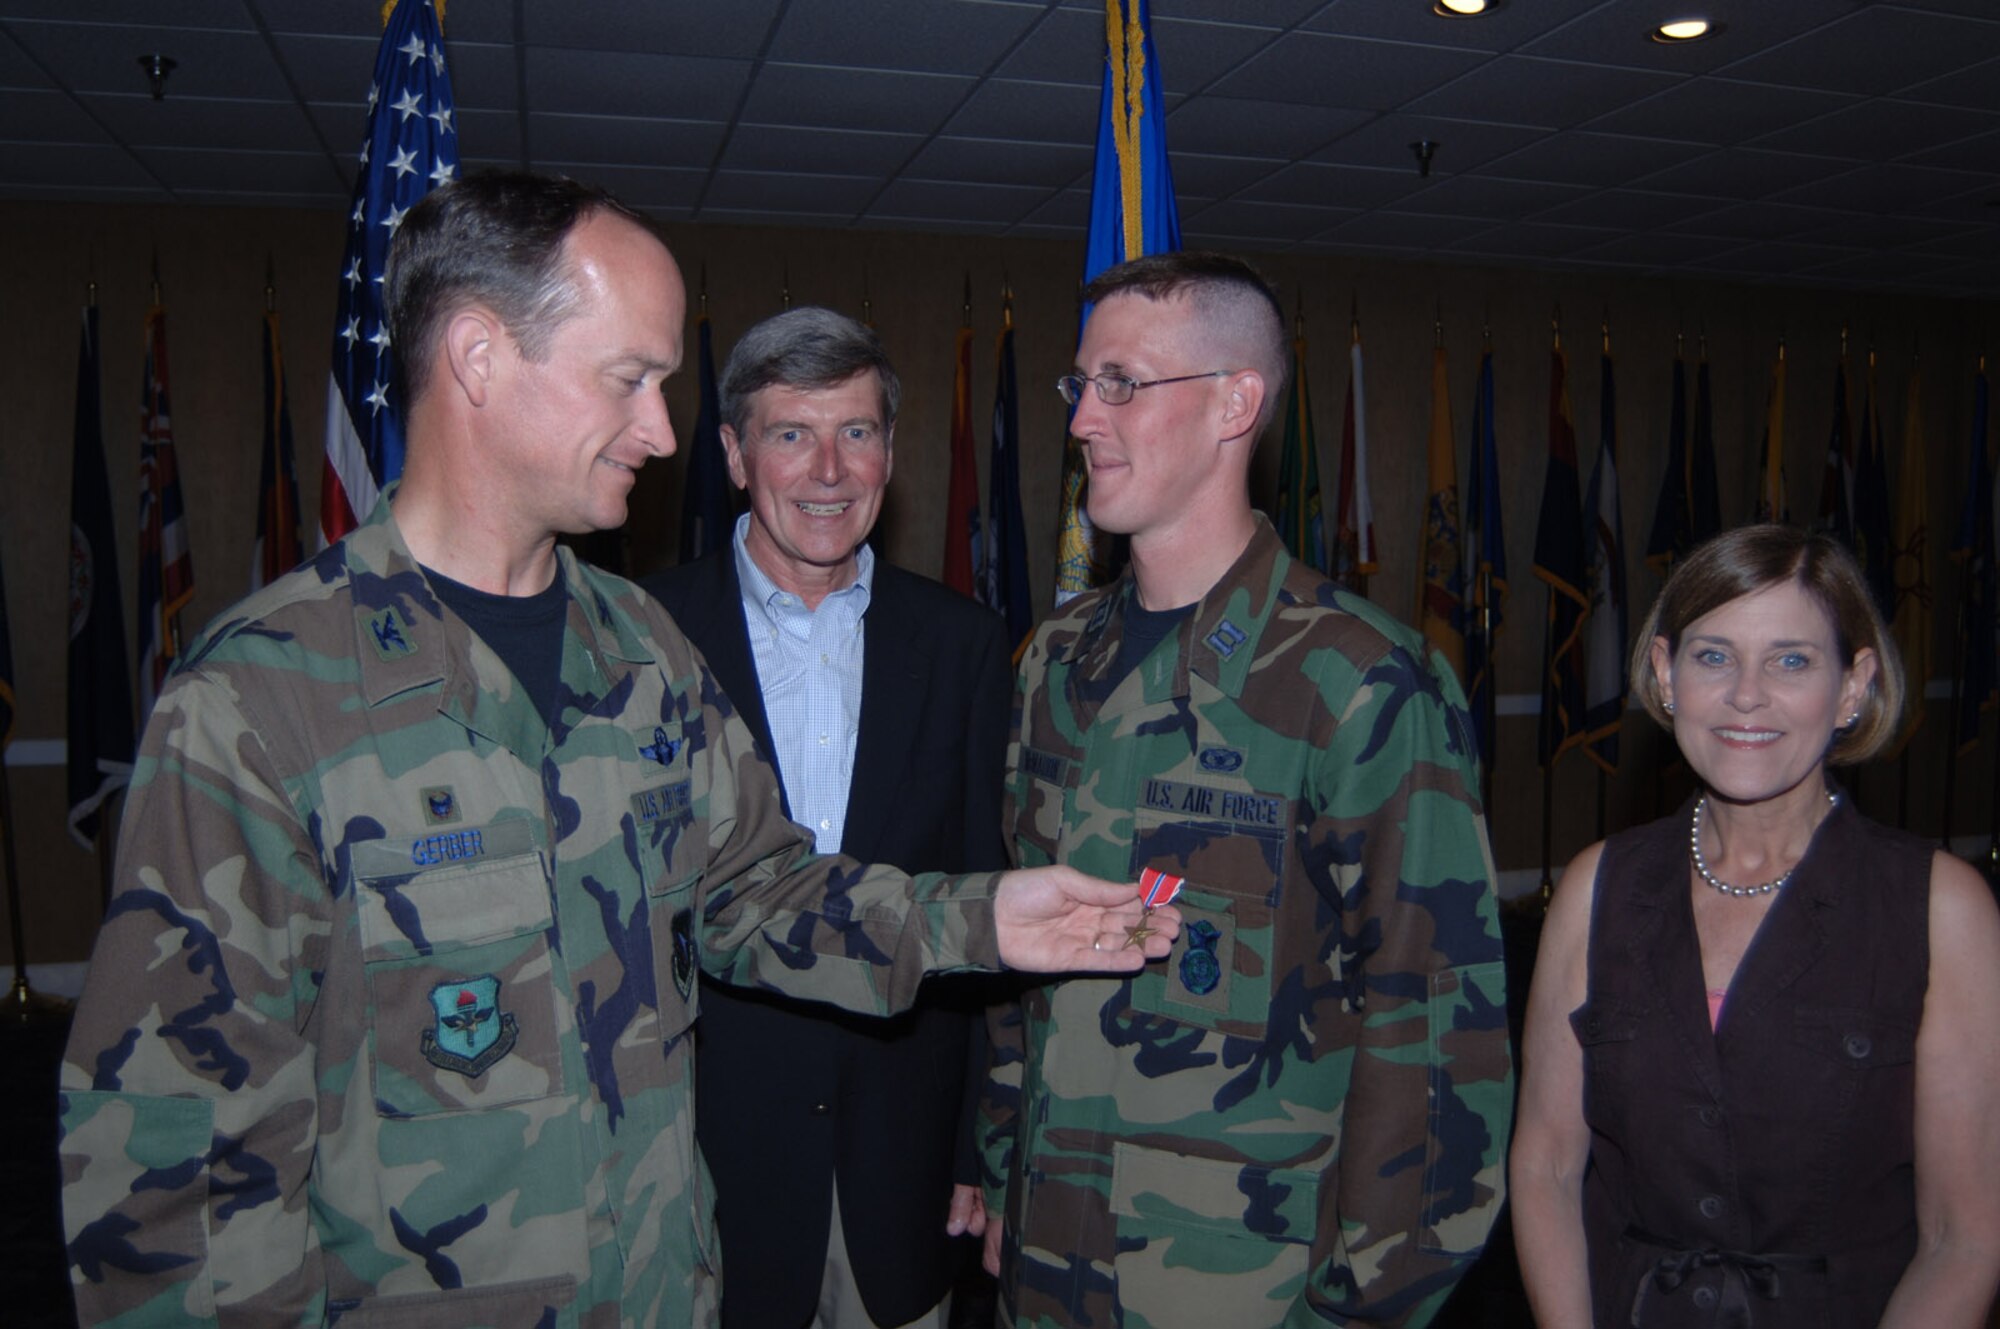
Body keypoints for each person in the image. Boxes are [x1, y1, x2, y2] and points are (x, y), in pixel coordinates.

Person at [56, 171, 1175, 1329]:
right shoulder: (263, 701)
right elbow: (176, 1183)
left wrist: (984, 921)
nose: (662, 431)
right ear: (481, 358)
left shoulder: (641, 649)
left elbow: (754, 896)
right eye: (628, 379)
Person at [976, 250, 1512, 1328]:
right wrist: (1000, 1170)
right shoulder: (1056, 661)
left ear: (1235, 404)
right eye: (1080, 384)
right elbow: (1018, 970)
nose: (1082, 418)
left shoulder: (1358, 681)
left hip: (1241, 1288)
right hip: (1045, 1263)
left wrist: (1358, 1310)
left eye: (1121, 383)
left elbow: (1431, 1039)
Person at [1511, 524, 2000, 1328]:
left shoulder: (1939, 908)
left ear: (1853, 687)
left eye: (1791, 660)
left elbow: (1962, 1239)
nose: (1746, 694)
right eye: (1713, 656)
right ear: (1666, 674)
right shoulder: (1598, 887)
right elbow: (1547, 1167)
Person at [645, 307, 1009, 1329]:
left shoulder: (965, 646)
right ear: (733, 455)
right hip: (696, 1162)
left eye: (855, 432)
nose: (829, 470)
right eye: (791, 434)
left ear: (889, 451)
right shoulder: (641, 635)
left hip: (900, 1164)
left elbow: (983, 896)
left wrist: (982, 1143)